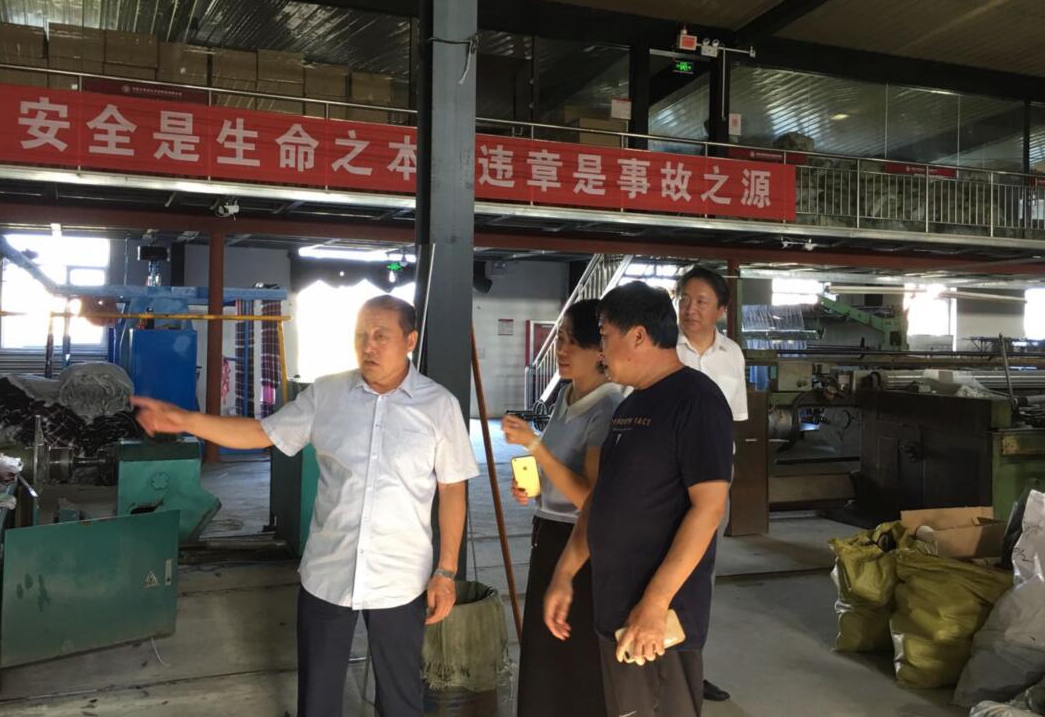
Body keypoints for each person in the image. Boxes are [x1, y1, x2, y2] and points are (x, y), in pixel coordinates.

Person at [131, 295, 478, 717]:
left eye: (380, 336)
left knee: (401, 699)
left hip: (401, 578)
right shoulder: (328, 394)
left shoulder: (439, 406)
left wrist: (446, 571)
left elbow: (452, 489)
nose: (367, 345)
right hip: (328, 573)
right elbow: (261, 433)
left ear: (410, 340)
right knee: (317, 699)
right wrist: (186, 420)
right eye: (360, 335)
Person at [544, 281, 733, 717]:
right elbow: (600, 502)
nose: (601, 351)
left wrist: (655, 603)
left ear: (639, 336)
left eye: (605, 336)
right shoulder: (630, 408)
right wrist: (564, 574)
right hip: (618, 609)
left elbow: (709, 508)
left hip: (659, 619)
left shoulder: (696, 400)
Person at [501, 299, 623, 716]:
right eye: (560, 340)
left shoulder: (608, 407)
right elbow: (555, 476)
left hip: (580, 545)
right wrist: (533, 488)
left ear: (600, 350)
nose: (562, 350)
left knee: (574, 653)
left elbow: (591, 498)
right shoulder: (566, 396)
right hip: (547, 534)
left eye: (574, 342)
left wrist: (535, 446)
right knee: (541, 651)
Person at [674, 265, 748, 702]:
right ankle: (657, 667)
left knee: (700, 577)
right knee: (662, 570)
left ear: (721, 310)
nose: (690, 308)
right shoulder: (663, 347)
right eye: (684, 299)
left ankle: (691, 669)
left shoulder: (732, 354)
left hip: (713, 482)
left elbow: (732, 419)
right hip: (667, 481)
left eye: (701, 301)